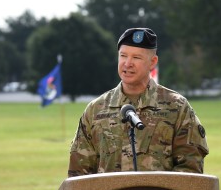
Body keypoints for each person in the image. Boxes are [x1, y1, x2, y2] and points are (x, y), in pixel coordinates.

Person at [68, 27, 209, 176]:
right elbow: (79, 175)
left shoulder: (177, 107)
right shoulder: (95, 110)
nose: (127, 63)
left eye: (136, 57)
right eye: (123, 56)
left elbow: (190, 170)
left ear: (152, 62)